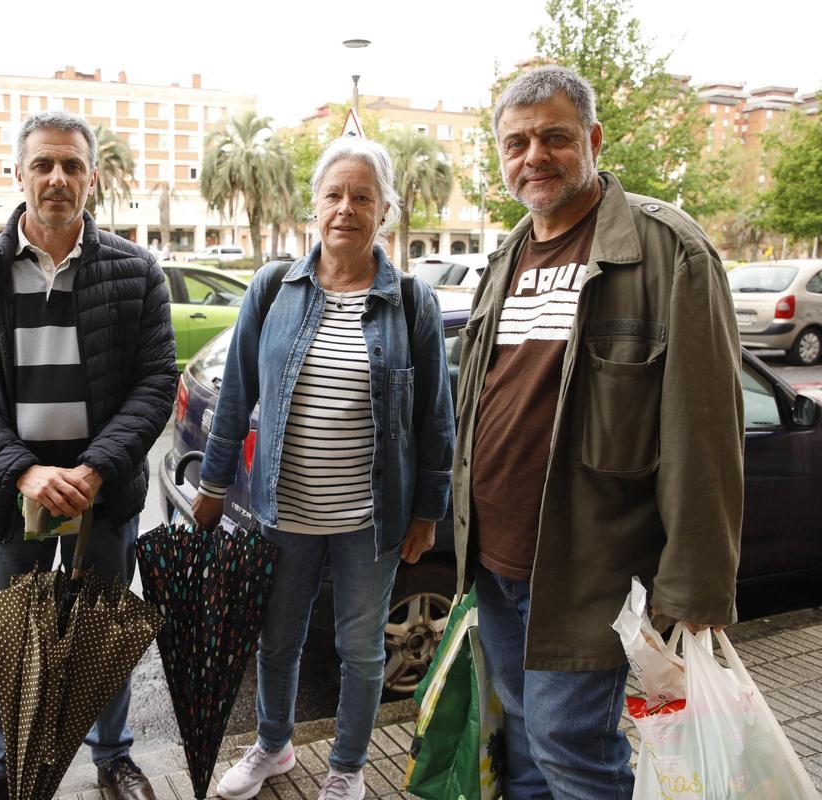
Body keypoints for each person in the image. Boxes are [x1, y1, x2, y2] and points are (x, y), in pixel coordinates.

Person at [452, 65, 744, 799]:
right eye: (516, 143)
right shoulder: (506, 256)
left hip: (589, 571)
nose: (534, 157)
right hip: (497, 561)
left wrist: (694, 592)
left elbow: (705, 435)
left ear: (594, 139)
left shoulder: (668, 250)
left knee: (570, 749)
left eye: (554, 137)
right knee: (522, 743)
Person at [193, 137, 455, 800]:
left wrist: (428, 512)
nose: (346, 208)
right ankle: (273, 747)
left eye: (362, 197)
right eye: (334, 195)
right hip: (284, 511)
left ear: (385, 211)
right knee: (277, 641)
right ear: (314, 206)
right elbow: (236, 395)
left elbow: (435, 420)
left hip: (371, 520)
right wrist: (213, 484)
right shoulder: (273, 288)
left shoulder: (413, 303)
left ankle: (347, 766)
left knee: (360, 650)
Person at [0, 110, 178, 800]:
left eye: (72, 165)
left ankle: (113, 758)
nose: (57, 178)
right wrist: (24, 471)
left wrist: (96, 469)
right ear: (19, 173)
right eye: (43, 164)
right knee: (10, 640)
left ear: (92, 177)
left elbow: (156, 382)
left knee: (100, 635)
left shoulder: (136, 270)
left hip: (105, 493)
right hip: (11, 492)